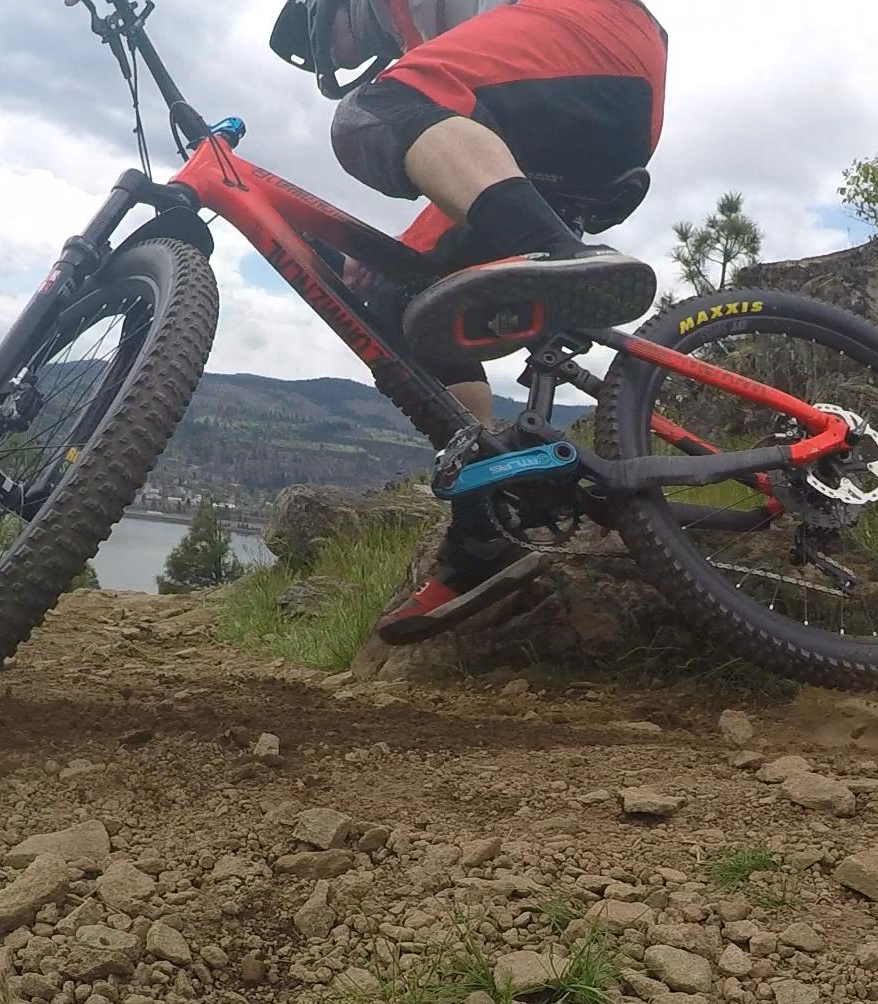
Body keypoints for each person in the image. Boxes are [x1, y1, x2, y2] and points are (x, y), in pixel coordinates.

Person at [280, 0, 667, 643]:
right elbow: (455, 151)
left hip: (592, 37)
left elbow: (427, 103)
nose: (337, 59)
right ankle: (487, 517)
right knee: (397, 301)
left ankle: (558, 252)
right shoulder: (435, 49)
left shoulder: (424, 28)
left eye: (327, 41)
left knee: (376, 112)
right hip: (551, 118)